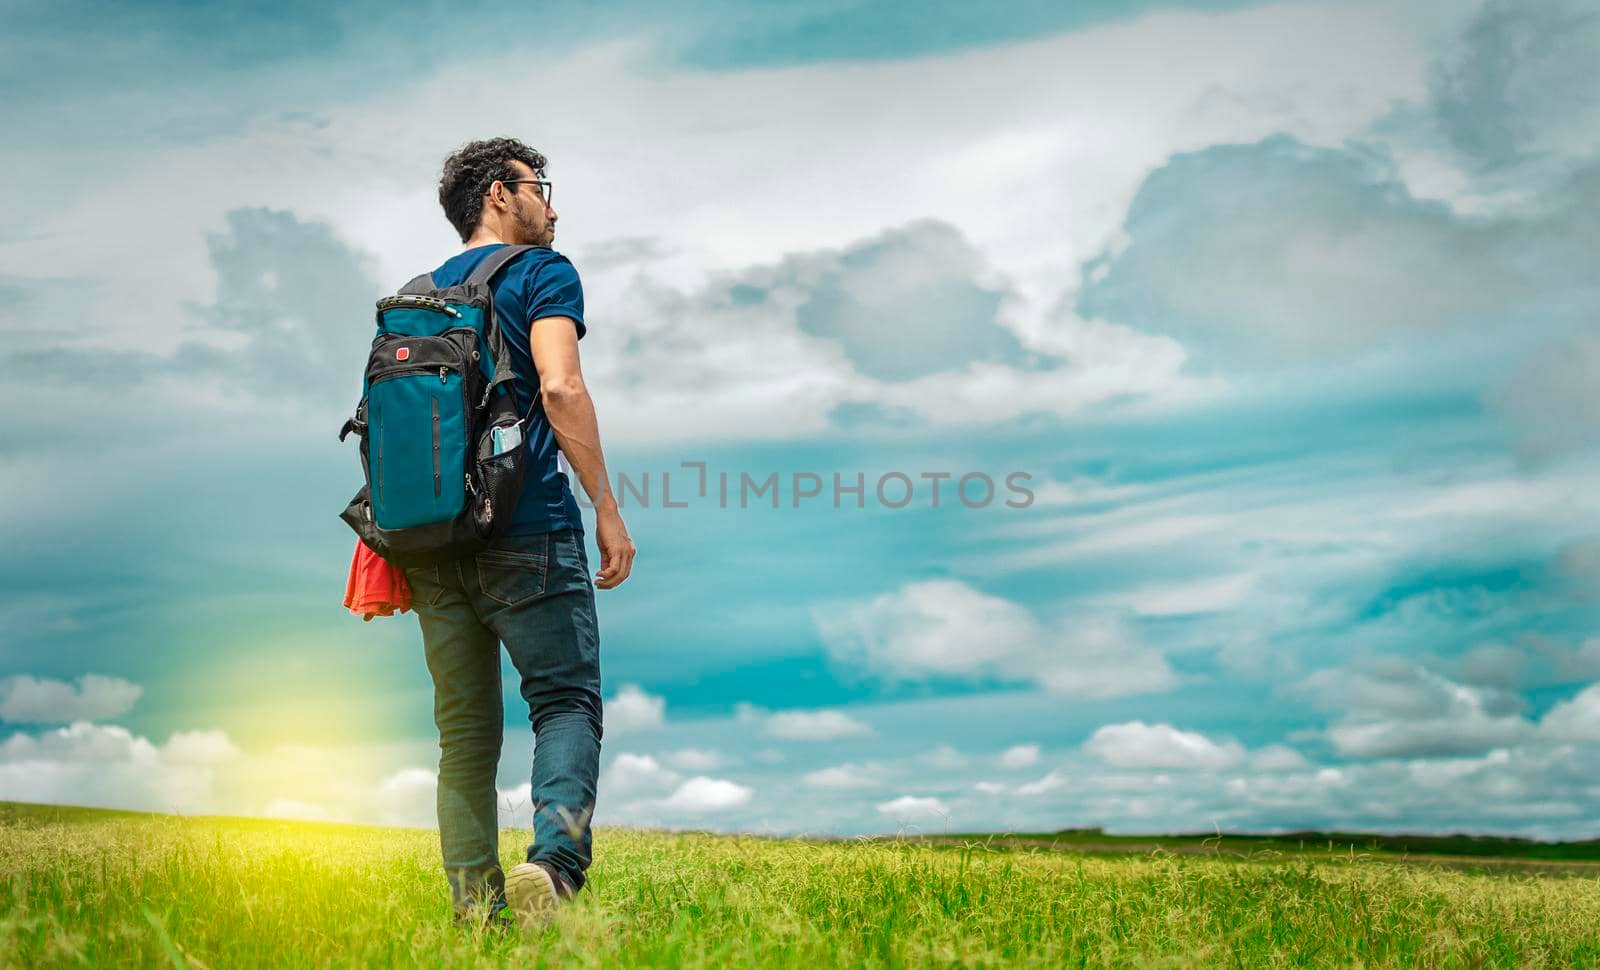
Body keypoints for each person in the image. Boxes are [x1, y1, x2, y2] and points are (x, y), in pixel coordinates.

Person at [401, 137, 636, 929]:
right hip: (527, 524)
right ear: (502, 193)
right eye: (543, 188)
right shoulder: (543, 273)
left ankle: (475, 911)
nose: (555, 206)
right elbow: (561, 386)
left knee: (464, 736)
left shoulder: (416, 297)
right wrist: (606, 504)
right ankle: (554, 868)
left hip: (431, 541)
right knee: (565, 701)